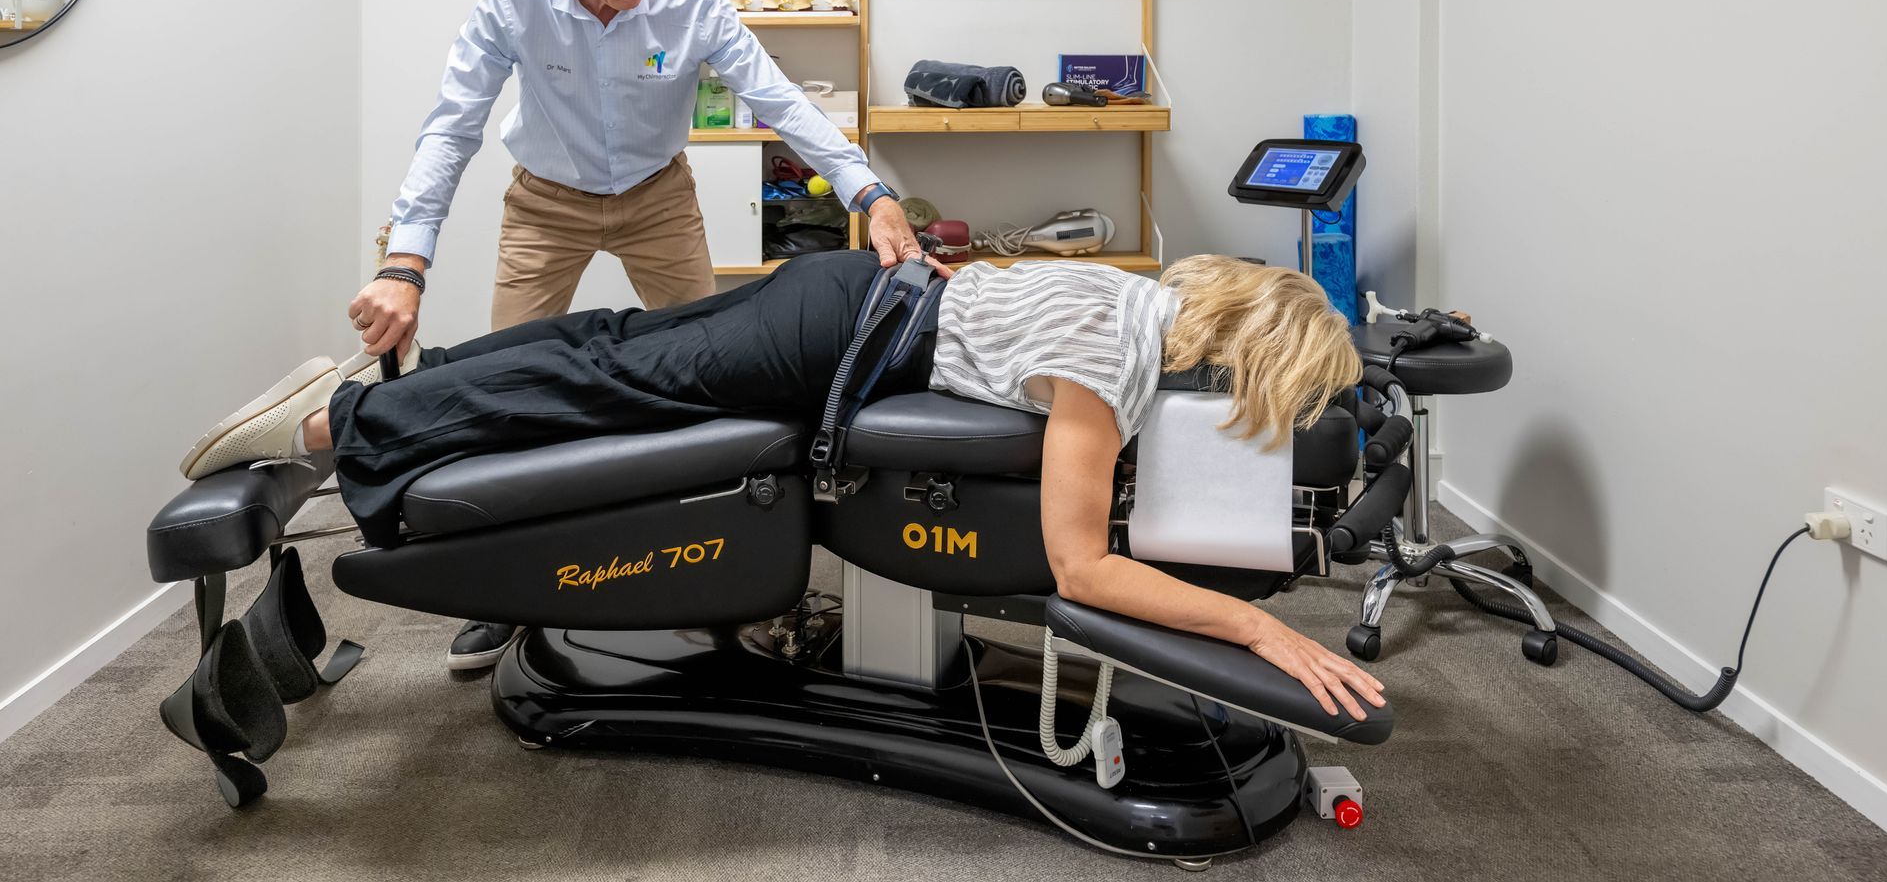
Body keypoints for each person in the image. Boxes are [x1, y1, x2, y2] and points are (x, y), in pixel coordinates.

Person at [181, 252, 1388, 721]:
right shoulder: (1114, 365)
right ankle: (346, 420)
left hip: (846, 292)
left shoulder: (1136, 291)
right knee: (607, 379)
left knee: (605, 342)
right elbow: (1082, 565)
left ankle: (394, 381)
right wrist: (1255, 622)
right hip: (828, 344)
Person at [349, 0, 937, 668]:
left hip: (659, 198)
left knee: (720, 380)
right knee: (500, 385)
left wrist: (867, 193)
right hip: (545, 202)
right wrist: (405, 265)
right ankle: (496, 586)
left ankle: (717, 558)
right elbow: (451, 129)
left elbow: (778, 99)